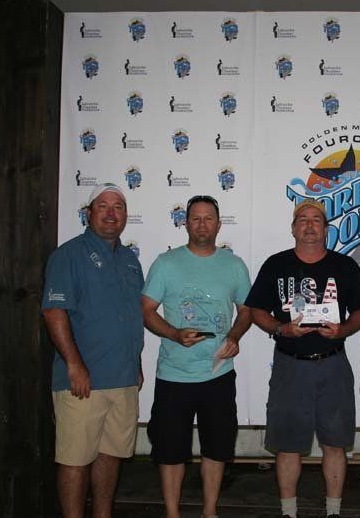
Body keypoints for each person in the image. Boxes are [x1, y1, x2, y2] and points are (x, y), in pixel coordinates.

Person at [245, 198, 360, 518]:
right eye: (303, 219)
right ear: (293, 228)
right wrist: (280, 329)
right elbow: (257, 309)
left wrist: (343, 329)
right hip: (290, 364)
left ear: (326, 229)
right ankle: (288, 512)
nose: (310, 225)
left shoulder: (345, 266)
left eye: (317, 219)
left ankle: (333, 511)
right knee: (288, 445)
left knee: (335, 443)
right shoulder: (276, 264)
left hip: (333, 363)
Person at [142, 194, 252, 518]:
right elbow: (146, 311)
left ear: (218, 224)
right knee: (170, 451)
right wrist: (174, 334)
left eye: (208, 218)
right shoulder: (166, 263)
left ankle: (209, 511)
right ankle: (173, 513)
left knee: (216, 449)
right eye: (195, 218)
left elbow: (246, 311)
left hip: (218, 372)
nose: (202, 224)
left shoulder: (234, 264)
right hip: (174, 375)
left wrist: (234, 335)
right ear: (185, 223)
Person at [42, 183, 144, 518]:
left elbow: (130, 317)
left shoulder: (131, 260)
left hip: (123, 377)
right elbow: (54, 311)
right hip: (82, 381)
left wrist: (137, 363)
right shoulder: (67, 255)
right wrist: (74, 364)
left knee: (110, 455)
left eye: (119, 206)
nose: (112, 213)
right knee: (74, 460)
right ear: (89, 213)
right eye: (103, 206)